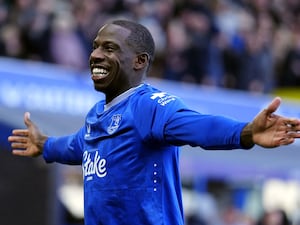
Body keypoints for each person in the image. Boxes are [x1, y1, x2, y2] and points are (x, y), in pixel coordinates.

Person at [8, 19, 300, 225]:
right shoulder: (97, 115)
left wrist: (245, 132)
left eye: (109, 48)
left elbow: (197, 127)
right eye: (96, 46)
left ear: (139, 61)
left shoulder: (148, 106)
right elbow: (76, 146)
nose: (96, 55)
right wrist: (44, 144)